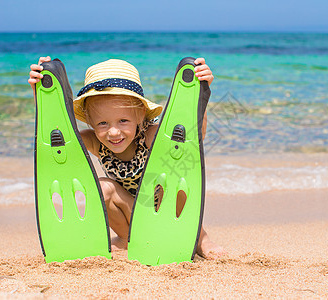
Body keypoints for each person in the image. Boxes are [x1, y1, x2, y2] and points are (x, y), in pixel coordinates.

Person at [29, 56, 225, 259]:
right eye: (103, 123)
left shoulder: (150, 136)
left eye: (123, 120)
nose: (113, 132)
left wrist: (200, 94)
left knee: (175, 178)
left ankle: (201, 239)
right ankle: (127, 238)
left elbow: (194, 140)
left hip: (166, 208)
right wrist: (44, 98)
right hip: (136, 215)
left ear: (140, 115)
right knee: (103, 189)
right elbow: (59, 138)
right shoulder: (96, 142)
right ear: (90, 121)